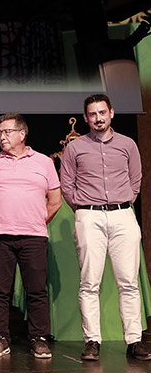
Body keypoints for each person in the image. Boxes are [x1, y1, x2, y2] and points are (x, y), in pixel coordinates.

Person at [60, 94, 151, 362]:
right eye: (92, 114)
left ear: (111, 113)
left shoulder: (128, 144)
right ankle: (92, 341)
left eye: (102, 112)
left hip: (123, 215)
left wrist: (124, 204)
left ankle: (134, 340)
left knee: (129, 282)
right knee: (89, 282)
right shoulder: (75, 148)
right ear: (86, 117)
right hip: (89, 217)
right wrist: (83, 209)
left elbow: (136, 179)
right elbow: (67, 184)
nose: (98, 118)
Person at [0, 113, 61, 358]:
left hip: (33, 236)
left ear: (22, 134)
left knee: (36, 290)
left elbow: (55, 201)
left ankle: (39, 337)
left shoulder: (44, 162)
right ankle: (0, 337)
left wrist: (33, 220)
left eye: (7, 132)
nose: (2, 136)